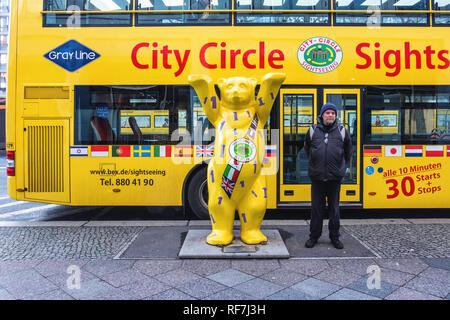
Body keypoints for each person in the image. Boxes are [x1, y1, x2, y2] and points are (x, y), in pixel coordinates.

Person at [303, 103, 352, 249]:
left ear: (336, 116)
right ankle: (314, 237)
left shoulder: (342, 131)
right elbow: (307, 148)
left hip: (334, 178)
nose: (330, 115)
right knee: (316, 209)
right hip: (317, 177)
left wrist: (341, 168)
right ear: (322, 115)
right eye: (327, 113)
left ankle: (335, 237)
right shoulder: (312, 130)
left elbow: (348, 152)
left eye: (333, 113)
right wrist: (314, 164)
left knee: (334, 209)